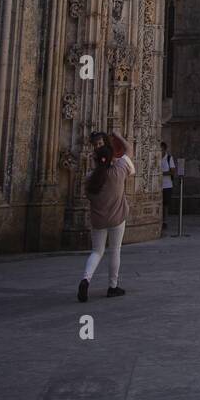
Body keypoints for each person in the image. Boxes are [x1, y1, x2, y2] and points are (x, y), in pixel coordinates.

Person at [77, 129, 135, 301]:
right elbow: (129, 150)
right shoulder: (119, 171)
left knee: (96, 251)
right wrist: (117, 134)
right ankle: (113, 286)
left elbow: (88, 195)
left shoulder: (89, 178)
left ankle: (85, 279)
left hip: (98, 220)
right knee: (115, 250)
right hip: (117, 218)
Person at [160, 140, 177, 231]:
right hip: (158, 185)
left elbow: (173, 171)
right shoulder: (156, 157)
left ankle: (165, 221)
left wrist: (161, 173)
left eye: (162, 150)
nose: (160, 152)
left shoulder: (169, 158)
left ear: (165, 150)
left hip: (167, 185)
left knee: (165, 204)